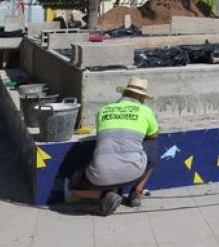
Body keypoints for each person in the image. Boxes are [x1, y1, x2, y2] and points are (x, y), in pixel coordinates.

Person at [64, 77, 159, 216]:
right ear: (141, 97)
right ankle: (136, 193)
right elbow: (154, 135)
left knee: (72, 185)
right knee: (153, 144)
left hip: (98, 177)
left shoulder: (103, 110)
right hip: (134, 173)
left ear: (124, 93)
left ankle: (104, 196)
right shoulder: (145, 111)